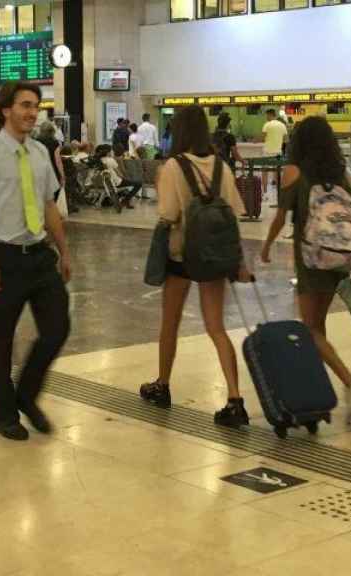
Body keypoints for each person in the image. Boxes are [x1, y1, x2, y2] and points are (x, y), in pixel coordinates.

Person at [0, 81, 72, 442]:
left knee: (57, 329)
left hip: (39, 255)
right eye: (25, 105)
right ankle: (5, 413)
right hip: (3, 257)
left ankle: (27, 394)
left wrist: (64, 251)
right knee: (2, 339)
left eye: (36, 106)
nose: (32, 112)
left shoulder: (39, 152)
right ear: (6, 109)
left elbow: (49, 206)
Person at [139, 104, 251, 427]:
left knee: (170, 323)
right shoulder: (222, 167)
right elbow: (235, 212)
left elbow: (169, 214)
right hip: (215, 255)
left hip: (181, 257)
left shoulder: (173, 167)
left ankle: (162, 384)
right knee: (216, 327)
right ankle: (234, 398)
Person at [260, 116, 351, 424]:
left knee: (309, 328)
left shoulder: (294, 172)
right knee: (317, 328)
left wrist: (267, 246)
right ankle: (320, 392)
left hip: (311, 257)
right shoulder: (340, 175)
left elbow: (281, 216)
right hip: (339, 260)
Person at [100, 144, 140, 209]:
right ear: (108, 152)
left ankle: (123, 199)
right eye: (111, 150)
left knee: (129, 184)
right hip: (116, 182)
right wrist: (126, 178)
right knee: (138, 183)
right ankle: (125, 201)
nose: (112, 152)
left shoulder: (99, 160)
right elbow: (119, 174)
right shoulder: (111, 160)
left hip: (104, 183)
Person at [35, 121, 65, 202]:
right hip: (53, 173)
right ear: (52, 131)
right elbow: (58, 161)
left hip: (39, 173)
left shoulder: (35, 142)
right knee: (52, 200)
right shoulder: (54, 143)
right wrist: (62, 176)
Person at [261, 108, 288, 193]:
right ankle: (278, 193)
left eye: (267, 116)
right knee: (277, 173)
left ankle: (264, 192)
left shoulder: (267, 124)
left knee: (265, 172)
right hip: (278, 152)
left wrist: (254, 140)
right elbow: (286, 140)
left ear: (270, 115)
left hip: (267, 151)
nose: (266, 117)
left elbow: (263, 137)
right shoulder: (282, 125)